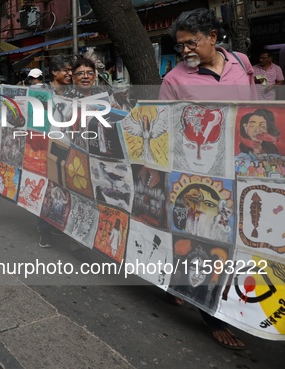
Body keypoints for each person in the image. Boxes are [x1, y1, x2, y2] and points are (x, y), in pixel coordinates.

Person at [158, 7, 257, 350]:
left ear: (213, 38)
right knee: (205, 242)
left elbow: (253, 112)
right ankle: (211, 317)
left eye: (191, 42)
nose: (184, 50)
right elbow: (163, 130)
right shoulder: (173, 80)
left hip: (241, 171)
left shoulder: (242, 64)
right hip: (196, 177)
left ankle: (176, 285)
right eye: (180, 45)